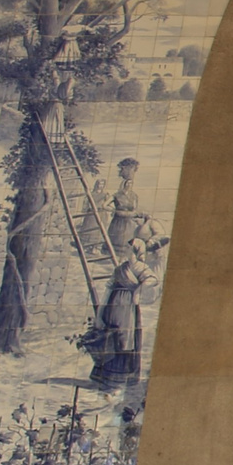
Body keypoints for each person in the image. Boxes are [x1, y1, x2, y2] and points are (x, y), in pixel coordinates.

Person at [84, 241, 158, 393]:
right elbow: (108, 290)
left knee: (125, 339)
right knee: (110, 337)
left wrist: (137, 291)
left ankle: (121, 379)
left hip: (128, 308)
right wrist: (100, 313)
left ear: (136, 250)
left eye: (129, 247)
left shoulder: (140, 267)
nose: (125, 249)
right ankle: (105, 377)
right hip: (112, 307)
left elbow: (153, 279)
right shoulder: (120, 269)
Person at [105, 157, 149, 256]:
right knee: (116, 237)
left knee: (128, 238)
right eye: (127, 183)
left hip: (129, 221)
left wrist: (136, 215)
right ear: (124, 184)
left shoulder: (134, 196)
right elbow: (104, 205)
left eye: (131, 184)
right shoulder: (117, 195)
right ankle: (112, 254)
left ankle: (125, 255)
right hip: (118, 220)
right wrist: (115, 211)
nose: (129, 185)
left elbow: (135, 209)